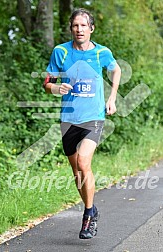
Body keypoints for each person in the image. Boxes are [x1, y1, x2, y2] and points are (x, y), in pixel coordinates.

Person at [43, 8, 121, 239]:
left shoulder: (101, 53)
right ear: (71, 29)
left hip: (94, 117)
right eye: (75, 26)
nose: (79, 30)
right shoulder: (61, 52)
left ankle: (88, 216)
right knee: (76, 170)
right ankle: (92, 207)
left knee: (84, 162)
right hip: (68, 119)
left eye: (83, 26)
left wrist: (112, 97)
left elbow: (115, 70)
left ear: (91, 28)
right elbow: (48, 82)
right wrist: (56, 88)